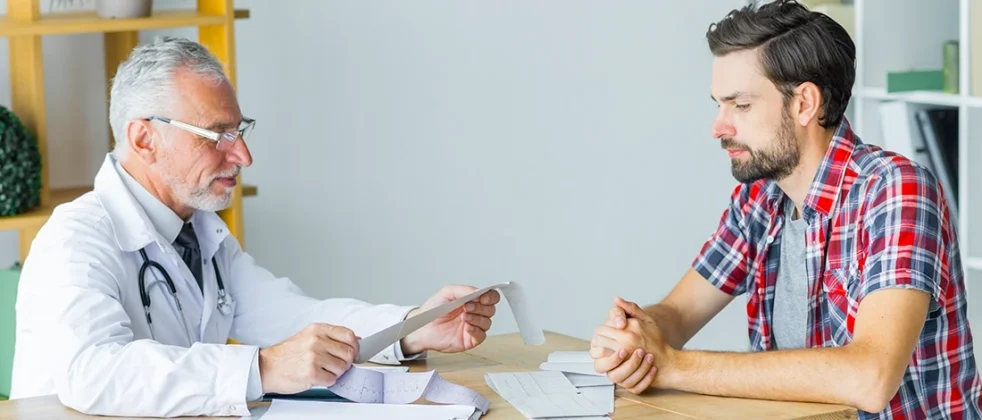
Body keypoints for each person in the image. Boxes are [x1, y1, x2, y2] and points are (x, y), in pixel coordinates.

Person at [8, 36, 501, 418]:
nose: (242, 156)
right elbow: (92, 373)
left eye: (239, 131)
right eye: (217, 135)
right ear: (144, 138)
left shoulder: (200, 232)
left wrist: (413, 326)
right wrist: (261, 368)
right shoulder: (75, 240)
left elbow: (294, 316)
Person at [590, 1, 982, 418]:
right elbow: (678, 313)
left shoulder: (896, 190)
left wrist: (674, 366)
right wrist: (636, 337)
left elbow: (870, 378)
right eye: (718, 105)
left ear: (804, 104)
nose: (718, 127)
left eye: (740, 105)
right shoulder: (758, 199)